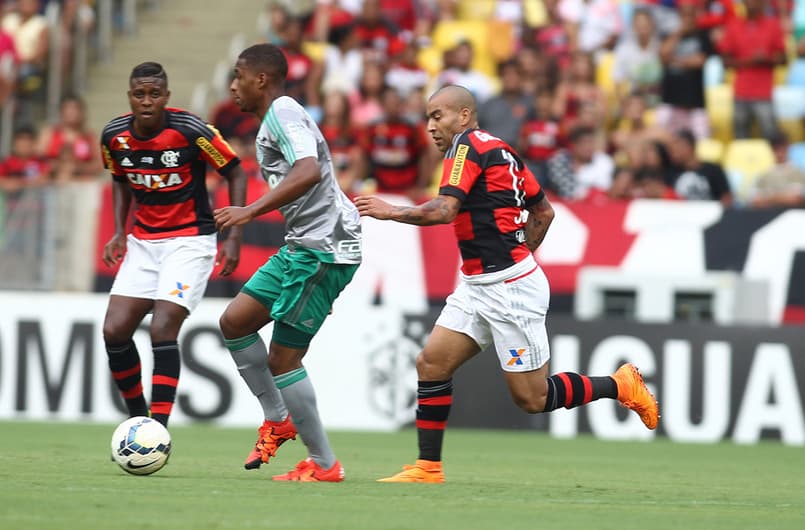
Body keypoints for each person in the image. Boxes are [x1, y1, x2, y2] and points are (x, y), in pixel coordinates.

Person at [354, 85, 659, 483]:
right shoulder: (500, 149)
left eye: (438, 115)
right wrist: (518, 252)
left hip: (509, 288)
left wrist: (390, 211)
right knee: (431, 363)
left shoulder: (465, 148)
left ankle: (619, 384)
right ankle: (427, 468)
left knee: (532, 398)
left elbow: (446, 209)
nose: (430, 126)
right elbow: (543, 212)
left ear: (463, 116)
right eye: (428, 117)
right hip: (480, 283)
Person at [214, 43, 362, 482]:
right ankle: (278, 418)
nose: (232, 85)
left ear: (260, 79)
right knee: (235, 322)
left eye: (238, 75)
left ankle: (323, 464)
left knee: (283, 361)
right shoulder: (271, 121)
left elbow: (308, 170)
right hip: (301, 245)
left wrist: (248, 212)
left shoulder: (284, 110)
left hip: (325, 248)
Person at [100, 62, 246, 429]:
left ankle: (157, 428)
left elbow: (235, 170)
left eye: (154, 94)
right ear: (129, 97)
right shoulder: (113, 136)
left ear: (166, 97)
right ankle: (138, 422)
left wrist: (233, 234)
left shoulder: (191, 131)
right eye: (139, 94)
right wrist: (120, 231)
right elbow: (120, 179)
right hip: (143, 243)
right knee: (114, 330)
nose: (146, 101)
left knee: (164, 326)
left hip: (190, 240)